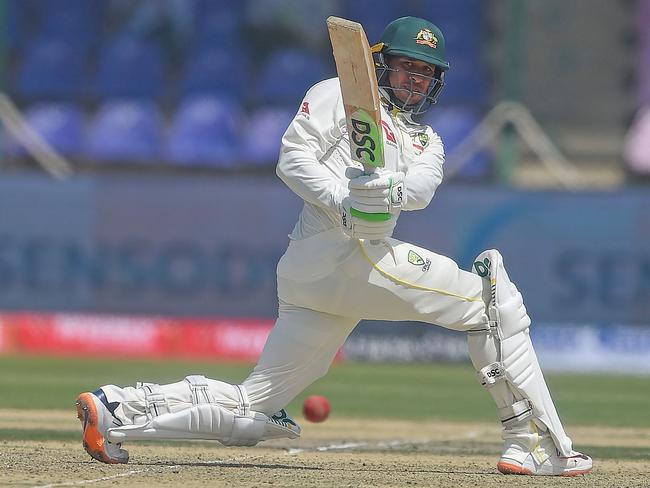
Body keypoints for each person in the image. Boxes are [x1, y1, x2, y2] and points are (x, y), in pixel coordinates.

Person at [76, 16, 592, 477]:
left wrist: (382, 189)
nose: (413, 80)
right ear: (379, 67)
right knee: (492, 301)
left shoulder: (426, 141)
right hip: (344, 250)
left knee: (254, 409)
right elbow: (292, 158)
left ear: (436, 83)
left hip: (322, 276)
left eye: (424, 73)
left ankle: (118, 410)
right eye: (404, 68)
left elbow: (420, 191)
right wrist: (343, 199)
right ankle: (534, 444)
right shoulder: (335, 94)